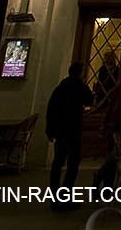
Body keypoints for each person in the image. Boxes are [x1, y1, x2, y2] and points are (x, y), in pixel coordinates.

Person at [45, 62, 95, 204]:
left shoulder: (60, 88)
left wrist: (50, 129)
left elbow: (51, 109)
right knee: (73, 163)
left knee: (58, 162)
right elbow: (90, 100)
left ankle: (55, 195)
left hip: (60, 131)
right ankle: (65, 194)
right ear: (81, 73)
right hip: (73, 130)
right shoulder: (80, 87)